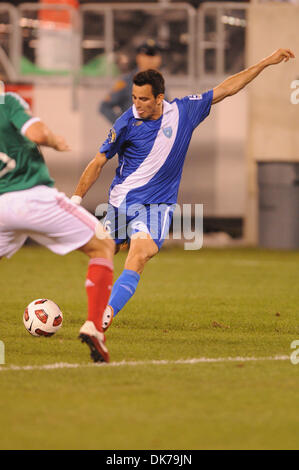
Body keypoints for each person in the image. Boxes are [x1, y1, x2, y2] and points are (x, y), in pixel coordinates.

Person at [71, 48, 295, 331]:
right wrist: (75, 199)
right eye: (134, 98)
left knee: (139, 254)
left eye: (143, 99)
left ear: (159, 98)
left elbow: (227, 88)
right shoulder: (125, 122)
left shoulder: (184, 111)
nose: (137, 105)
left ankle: (104, 315)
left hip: (156, 206)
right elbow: (99, 161)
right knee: (100, 252)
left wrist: (265, 61)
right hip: (120, 204)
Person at [0, 91, 115, 362]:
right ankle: (94, 327)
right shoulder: (7, 102)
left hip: (2, 206)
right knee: (103, 245)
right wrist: (55, 140)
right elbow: (37, 134)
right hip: (34, 196)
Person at [99, 40, 164, 124]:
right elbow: (105, 107)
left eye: (155, 55)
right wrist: (124, 126)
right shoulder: (127, 82)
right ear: (139, 58)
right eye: (148, 55)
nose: (151, 60)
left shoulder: (160, 81)